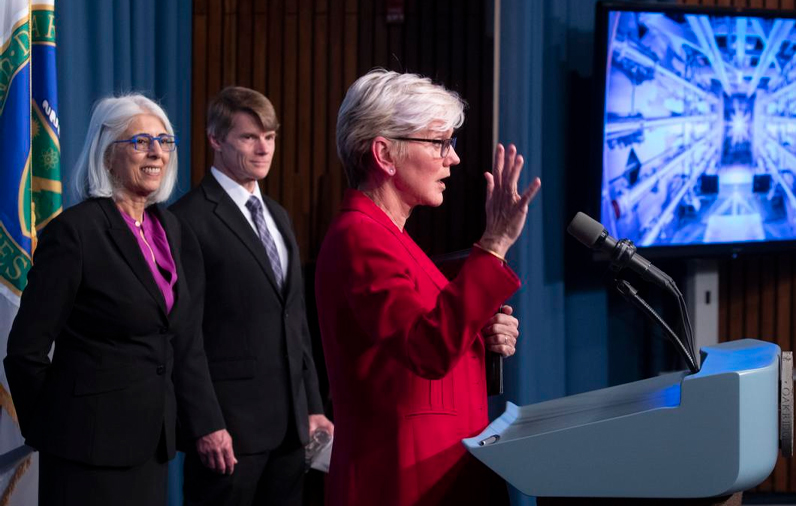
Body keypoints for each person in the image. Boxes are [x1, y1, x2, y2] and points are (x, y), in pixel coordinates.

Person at [316, 69, 541, 505]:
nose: (453, 158)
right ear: (384, 153)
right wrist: (492, 246)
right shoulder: (359, 238)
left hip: (436, 473)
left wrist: (483, 334)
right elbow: (426, 349)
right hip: (401, 483)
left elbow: (424, 334)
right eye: (439, 143)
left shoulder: (392, 238)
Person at [4, 94, 229, 506]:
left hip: (152, 447)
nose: (157, 152)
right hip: (85, 453)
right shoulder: (76, 233)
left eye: (164, 141)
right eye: (141, 141)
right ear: (107, 155)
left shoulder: (175, 232)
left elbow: (185, 343)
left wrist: (207, 423)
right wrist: (50, 428)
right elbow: (25, 350)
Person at [172, 86, 332, 506]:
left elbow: (294, 321)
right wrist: (205, 423)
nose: (264, 149)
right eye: (249, 137)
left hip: (291, 433)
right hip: (228, 435)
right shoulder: (186, 220)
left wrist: (313, 406)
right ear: (215, 139)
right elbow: (184, 336)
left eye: (271, 137)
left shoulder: (277, 215)